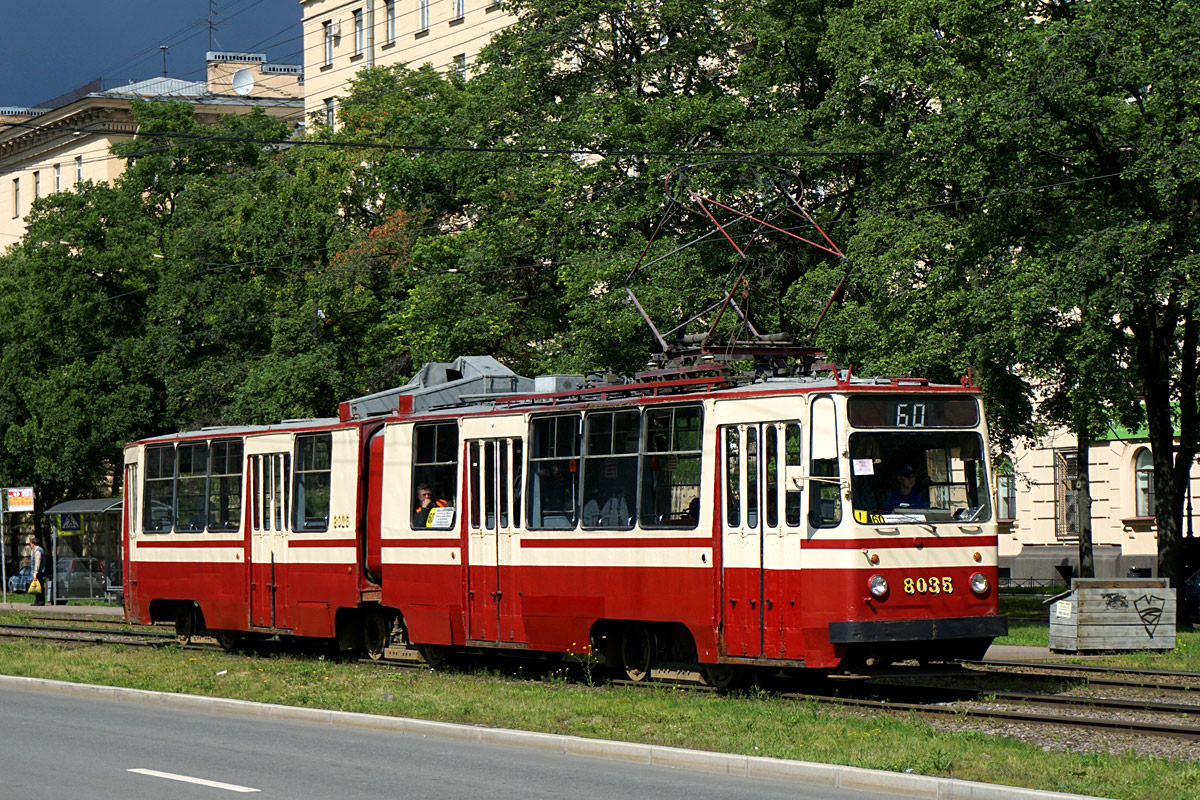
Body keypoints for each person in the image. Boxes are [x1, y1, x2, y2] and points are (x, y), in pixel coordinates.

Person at [28, 534, 46, 606]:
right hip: (38, 572)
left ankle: (40, 601)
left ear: (33, 544)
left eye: (31, 544)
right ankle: (37, 600)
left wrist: (35, 573)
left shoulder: (38, 551)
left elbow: (37, 562)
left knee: (39, 586)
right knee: (36, 586)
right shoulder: (36, 550)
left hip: (39, 572)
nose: (30, 545)